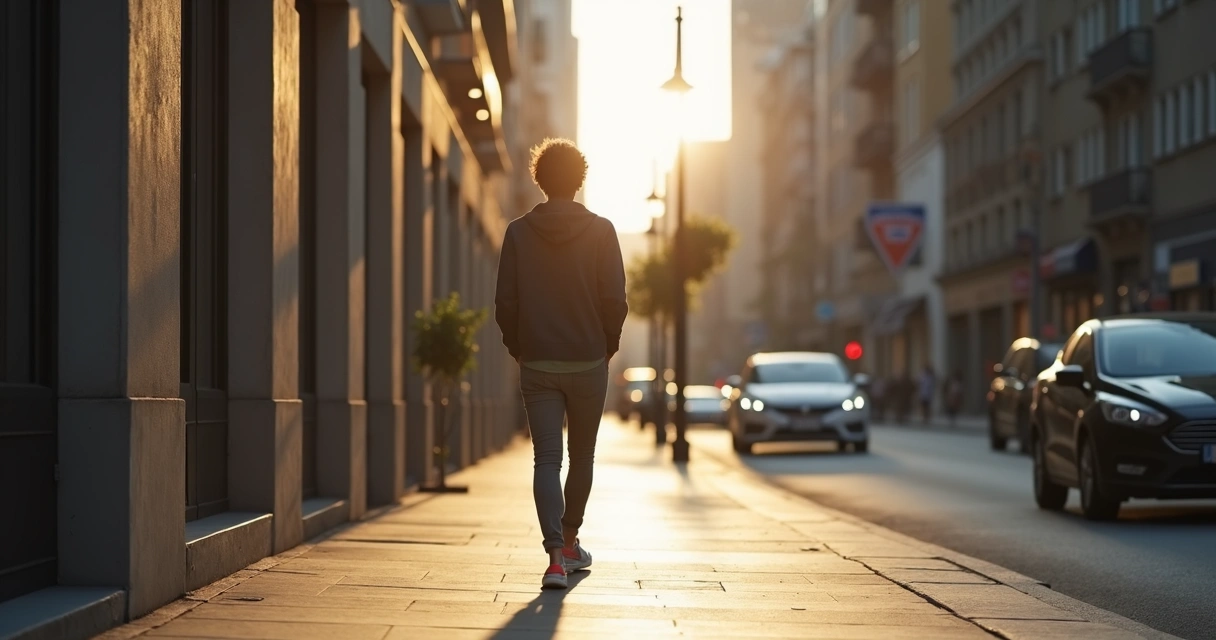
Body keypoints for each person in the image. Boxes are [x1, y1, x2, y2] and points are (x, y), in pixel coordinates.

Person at [494, 138, 628, 590]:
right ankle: (571, 541)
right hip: (589, 359)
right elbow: (615, 300)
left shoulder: (518, 231)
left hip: (538, 361)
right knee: (582, 455)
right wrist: (605, 345)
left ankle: (554, 557)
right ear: (580, 179)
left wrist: (521, 348)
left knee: (546, 459)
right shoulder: (602, 230)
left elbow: (505, 303)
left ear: (539, 178)